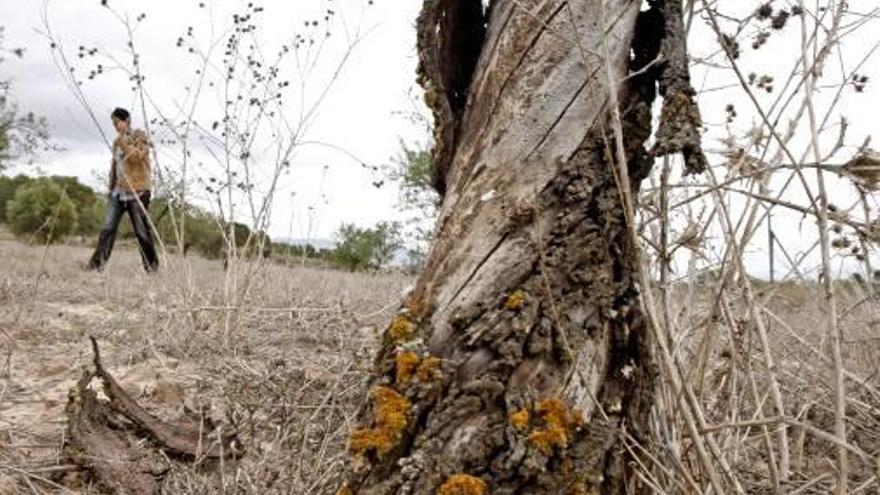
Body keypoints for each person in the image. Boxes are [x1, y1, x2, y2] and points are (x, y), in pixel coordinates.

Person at [86, 107, 159, 272]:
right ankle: (96, 266)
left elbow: (137, 158)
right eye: (113, 123)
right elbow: (115, 166)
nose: (114, 126)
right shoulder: (116, 141)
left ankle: (152, 269)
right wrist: (110, 187)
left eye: (117, 122)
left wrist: (123, 143)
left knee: (141, 232)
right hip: (118, 192)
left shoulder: (140, 136)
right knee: (107, 229)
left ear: (127, 120)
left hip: (138, 191)